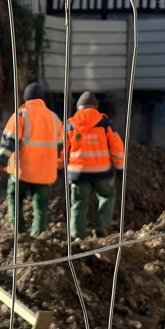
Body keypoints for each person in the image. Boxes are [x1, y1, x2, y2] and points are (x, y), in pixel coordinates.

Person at [0, 83, 63, 237]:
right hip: (45, 173)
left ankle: (19, 232)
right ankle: (38, 235)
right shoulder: (54, 118)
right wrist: (57, 164)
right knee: (41, 205)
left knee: (14, 197)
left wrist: (1, 161)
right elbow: (61, 146)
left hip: (22, 170)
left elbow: (9, 141)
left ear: (26, 98)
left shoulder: (20, 115)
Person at [64, 91, 125, 239]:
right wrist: (120, 168)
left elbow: (62, 149)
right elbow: (116, 147)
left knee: (79, 202)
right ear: (95, 107)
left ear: (79, 107)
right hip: (101, 172)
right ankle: (102, 226)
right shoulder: (104, 123)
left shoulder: (70, 125)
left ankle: (77, 236)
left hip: (78, 173)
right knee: (107, 196)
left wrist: (61, 166)